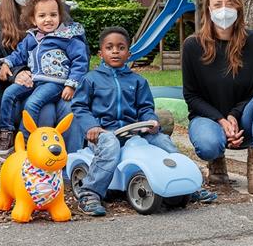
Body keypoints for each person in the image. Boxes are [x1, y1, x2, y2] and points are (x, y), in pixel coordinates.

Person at [182, 0, 253, 195]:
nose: (224, 9)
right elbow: (191, 96)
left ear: (239, 7)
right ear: (209, 10)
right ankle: (216, 161)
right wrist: (220, 120)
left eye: (229, 4)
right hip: (208, 119)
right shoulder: (192, 46)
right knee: (208, 144)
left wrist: (234, 116)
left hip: (243, 121)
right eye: (217, 4)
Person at [71, 27, 178, 216]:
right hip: (103, 133)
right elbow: (80, 106)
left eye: (120, 48)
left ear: (128, 54)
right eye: (109, 47)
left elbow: (145, 108)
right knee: (111, 142)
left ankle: (184, 183)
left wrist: (151, 121)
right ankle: (89, 193)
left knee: (162, 140)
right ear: (100, 53)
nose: (115, 51)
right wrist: (92, 126)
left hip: (133, 132)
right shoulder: (91, 79)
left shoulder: (137, 81)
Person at [0, 0, 82, 152]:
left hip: (58, 82)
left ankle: (71, 166)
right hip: (19, 87)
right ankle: (32, 162)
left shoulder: (59, 15)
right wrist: (15, 73)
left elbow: (79, 55)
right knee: (44, 111)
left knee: (71, 110)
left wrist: (71, 82)